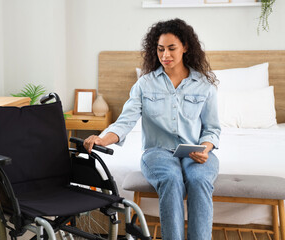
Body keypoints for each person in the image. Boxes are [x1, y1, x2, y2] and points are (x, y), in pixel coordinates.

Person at [83, 18, 220, 240]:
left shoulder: (204, 85)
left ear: (185, 47)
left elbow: (212, 129)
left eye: (171, 48)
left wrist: (205, 148)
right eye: (160, 49)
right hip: (158, 152)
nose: (165, 55)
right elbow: (125, 121)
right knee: (171, 179)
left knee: (199, 180)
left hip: (196, 152)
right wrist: (103, 139)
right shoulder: (145, 84)